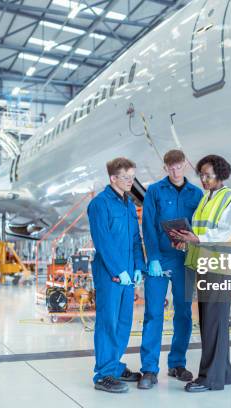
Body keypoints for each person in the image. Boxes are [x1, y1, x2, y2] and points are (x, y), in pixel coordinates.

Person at [170, 154, 231, 393]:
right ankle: (224, 373)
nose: (203, 179)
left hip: (218, 268)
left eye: (208, 175)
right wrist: (185, 241)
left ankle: (210, 378)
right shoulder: (206, 199)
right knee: (212, 322)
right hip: (204, 265)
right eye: (201, 174)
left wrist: (197, 238)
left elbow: (225, 232)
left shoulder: (230, 198)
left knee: (214, 323)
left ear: (220, 175)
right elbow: (199, 232)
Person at [138, 150, 203, 390]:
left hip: (185, 260)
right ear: (165, 168)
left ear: (185, 164)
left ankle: (177, 363)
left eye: (179, 166)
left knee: (184, 314)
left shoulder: (196, 194)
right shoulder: (154, 191)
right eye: (171, 167)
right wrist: (152, 258)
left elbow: (199, 227)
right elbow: (148, 226)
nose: (175, 171)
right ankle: (149, 369)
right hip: (160, 259)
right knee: (153, 313)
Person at [87, 157, 146, 393]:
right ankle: (103, 374)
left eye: (133, 177)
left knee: (123, 322)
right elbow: (103, 241)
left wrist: (139, 267)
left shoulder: (129, 205)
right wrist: (117, 270)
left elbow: (135, 239)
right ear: (113, 178)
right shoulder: (99, 204)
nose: (131, 181)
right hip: (110, 274)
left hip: (128, 274)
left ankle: (114, 365)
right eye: (126, 177)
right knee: (107, 322)